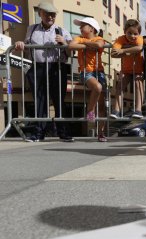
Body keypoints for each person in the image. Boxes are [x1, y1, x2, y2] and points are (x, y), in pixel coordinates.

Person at [14, 1, 74, 142]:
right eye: (47, 14)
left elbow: (71, 52)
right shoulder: (32, 29)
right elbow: (26, 45)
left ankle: (63, 132)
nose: (50, 17)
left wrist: (65, 44)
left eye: (53, 14)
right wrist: (20, 44)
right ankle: (39, 133)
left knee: (59, 100)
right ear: (40, 13)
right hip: (37, 67)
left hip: (57, 67)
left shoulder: (62, 31)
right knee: (40, 100)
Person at [68, 17, 107, 142]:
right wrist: (86, 44)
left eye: (82, 25)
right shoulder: (79, 38)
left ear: (91, 28)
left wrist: (84, 45)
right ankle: (90, 110)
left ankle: (101, 133)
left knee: (102, 106)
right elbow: (71, 45)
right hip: (86, 72)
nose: (80, 28)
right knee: (97, 87)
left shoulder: (98, 38)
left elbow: (99, 44)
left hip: (100, 72)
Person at [110, 19, 144, 119]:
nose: (132, 36)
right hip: (126, 70)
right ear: (125, 31)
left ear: (138, 34)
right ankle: (116, 110)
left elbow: (139, 48)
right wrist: (129, 51)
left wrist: (123, 50)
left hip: (137, 69)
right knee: (119, 86)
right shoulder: (121, 39)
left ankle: (138, 110)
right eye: (129, 33)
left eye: (135, 34)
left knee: (138, 85)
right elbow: (113, 53)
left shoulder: (139, 39)